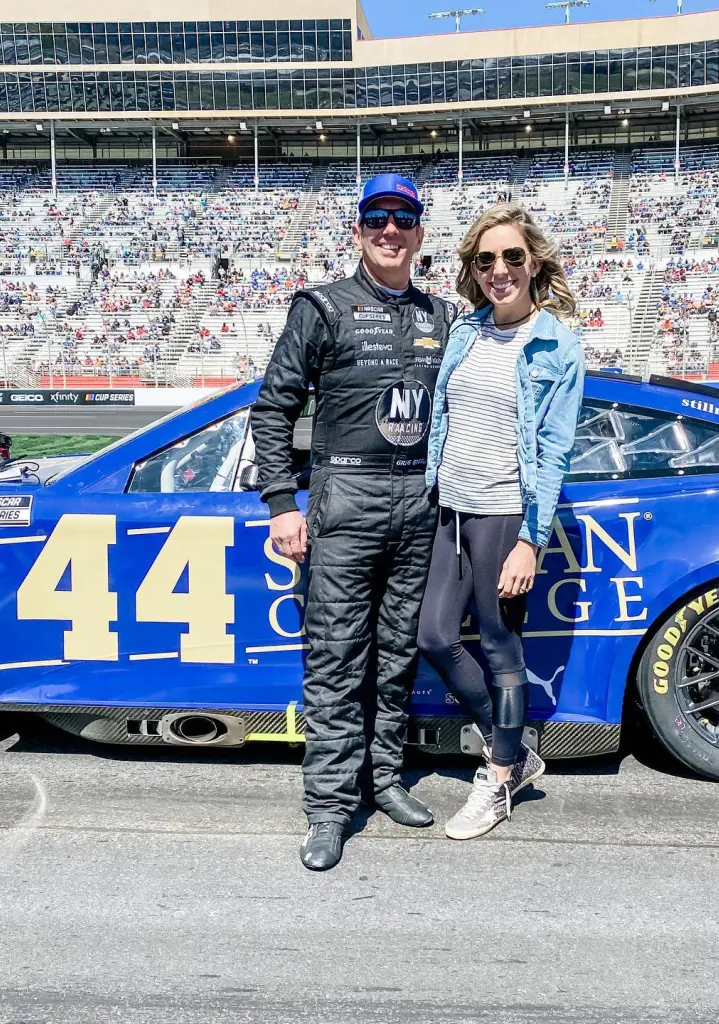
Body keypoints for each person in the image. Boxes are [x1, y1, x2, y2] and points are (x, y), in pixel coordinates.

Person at [250, 174, 457, 871]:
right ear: (359, 230)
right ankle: (329, 807)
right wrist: (282, 503)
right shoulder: (321, 307)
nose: (390, 230)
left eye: (403, 219)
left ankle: (385, 779)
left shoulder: (442, 316)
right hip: (344, 500)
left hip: (418, 502)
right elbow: (273, 410)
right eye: (377, 219)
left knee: (397, 655)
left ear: (420, 233)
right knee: (336, 659)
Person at [418, 202, 584, 840]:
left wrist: (529, 542)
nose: (499, 270)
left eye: (513, 256)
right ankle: (511, 750)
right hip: (451, 508)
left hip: (504, 514)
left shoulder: (557, 345)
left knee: (498, 647)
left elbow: (555, 451)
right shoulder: (466, 331)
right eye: (486, 259)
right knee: (434, 636)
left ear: (534, 262)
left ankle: (497, 778)